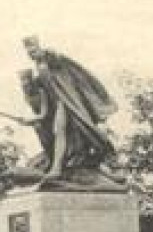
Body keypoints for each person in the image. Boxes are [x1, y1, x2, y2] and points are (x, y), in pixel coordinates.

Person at [15, 35, 121, 187]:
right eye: (29, 53)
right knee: (58, 131)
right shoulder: (39, 74)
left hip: (69, 104)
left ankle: (57, 167)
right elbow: (44, 111)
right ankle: (57, 165)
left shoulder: (50, 61)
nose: (32, 55)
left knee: (60, 130)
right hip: (59, 105)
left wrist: (46, 53)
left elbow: (56, 57)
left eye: (34, 50)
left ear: (39, 47)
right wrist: (30, 119)